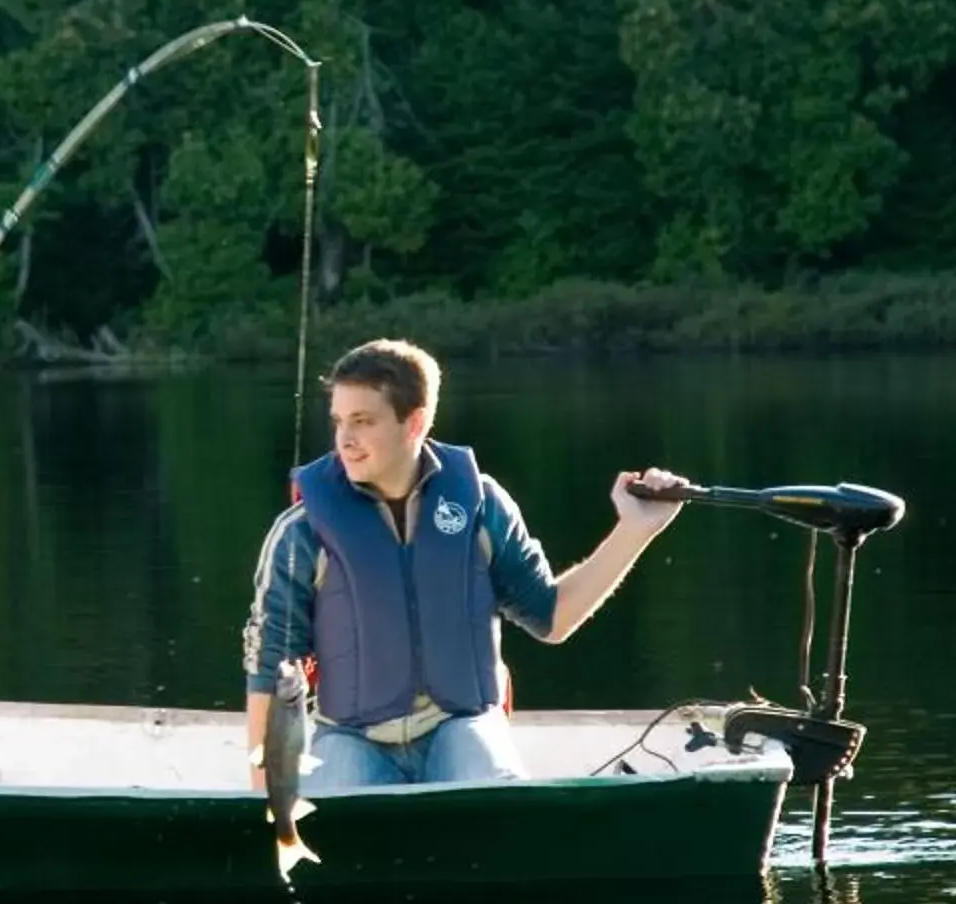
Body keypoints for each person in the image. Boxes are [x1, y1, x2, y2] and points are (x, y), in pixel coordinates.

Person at [241, 338, 682, 790]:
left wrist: (635, 529)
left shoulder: (481, 505)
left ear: (413, 424)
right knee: (322, 823)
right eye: (338, 422)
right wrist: (265, 799)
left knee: (495, 798)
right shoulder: (301, 531)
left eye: (363, 422)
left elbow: (554, 618)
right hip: (350, 737)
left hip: (462, 727)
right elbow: (269, 670)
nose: (345, 440)